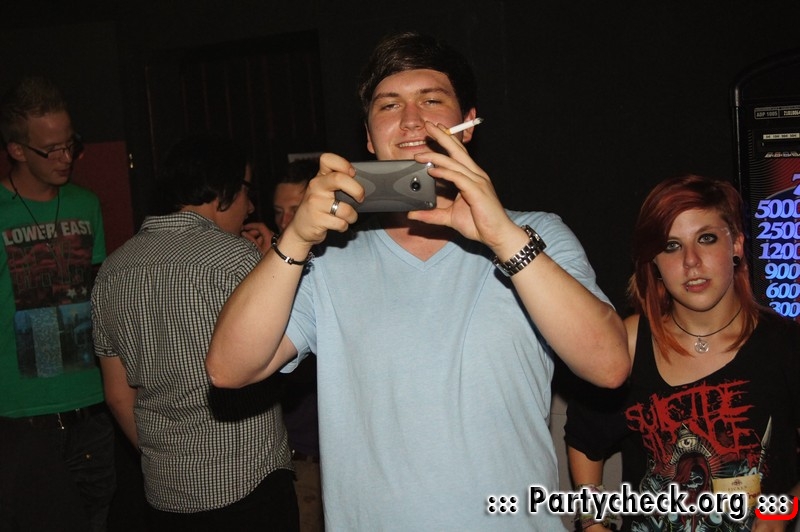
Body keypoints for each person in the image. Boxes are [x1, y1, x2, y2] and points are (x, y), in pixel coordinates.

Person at [206, 31, 629, 531]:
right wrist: (295, 238)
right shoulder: (329, 258)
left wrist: (503, 238)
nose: (410, 120)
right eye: (389, 105)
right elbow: (229, 370)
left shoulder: (537, 235)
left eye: (431, 100)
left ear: (468, 124)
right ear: (369, 138)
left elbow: (608, 365)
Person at [565, 175, 800, 531]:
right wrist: (593, 522)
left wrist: (780, 514)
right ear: (654, 261)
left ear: (737, 244)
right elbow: (584, 439)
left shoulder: (785, 344)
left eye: (706, 239)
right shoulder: (629, 343)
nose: (691, 261)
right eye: (672, 246)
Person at [91, 133, 299, 530]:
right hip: (249, 481)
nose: (250, 206)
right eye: (246, 191)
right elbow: (281, 355)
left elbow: (117, 395)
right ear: (222, 190)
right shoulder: (237, 259)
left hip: (165, 491)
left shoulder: (111, 271)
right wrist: (272, 268)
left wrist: (170, 458)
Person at [0, 75, 115, 532]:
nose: (67, 157)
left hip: (91, 412)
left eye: (71, 144)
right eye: (52, 149)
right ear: (16, 149)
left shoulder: (86, 204)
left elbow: (99, 296)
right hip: (19, 421)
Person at [274, 157, 325, 532]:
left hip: (346, 459)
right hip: (299, 458)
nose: (285, 221)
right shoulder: (276, 269)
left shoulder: (340, 263)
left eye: (295, 209)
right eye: (279, 212)